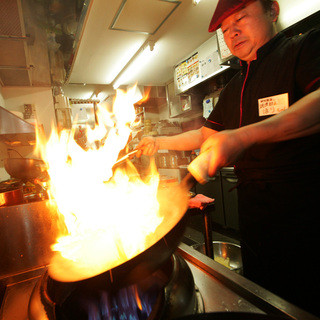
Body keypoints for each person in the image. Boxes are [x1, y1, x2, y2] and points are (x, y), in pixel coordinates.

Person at [137, 0, 320, 316]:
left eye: (241, 18)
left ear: (272, 10)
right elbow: (205, 135)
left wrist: (244, 135)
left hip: (306, 210)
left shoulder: (304, 47)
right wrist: (158, 140)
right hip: (254, 214)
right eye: (224, 29)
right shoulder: (234, 85)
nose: (232, 33)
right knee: (264, 295)